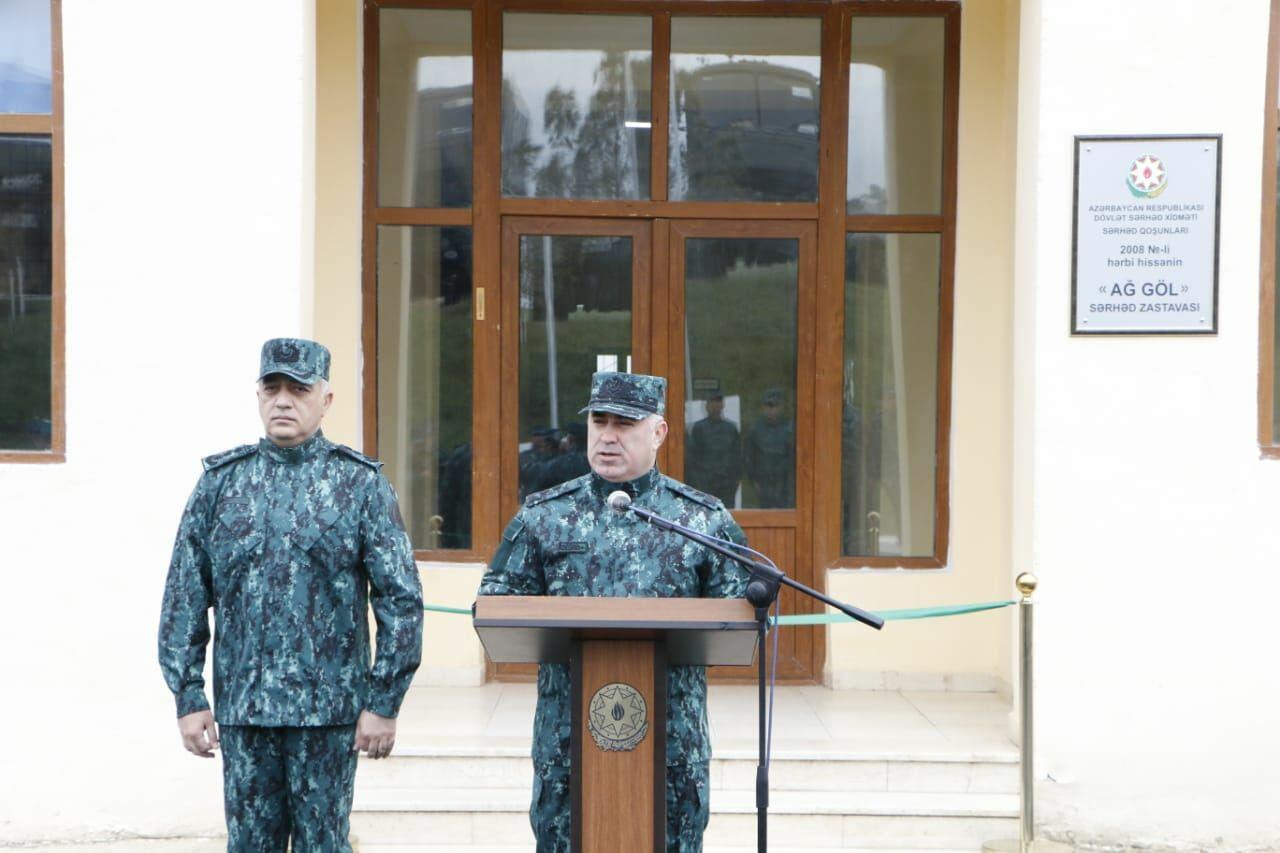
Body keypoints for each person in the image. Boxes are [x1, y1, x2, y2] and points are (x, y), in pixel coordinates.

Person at [158, 338, 424, 852]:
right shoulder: (220, 486)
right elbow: (185, 595)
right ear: (257, 395)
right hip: (245, 711)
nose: (283, 401)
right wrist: (188, 695)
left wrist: (384, 702)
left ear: (324, 401)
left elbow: (400, 601)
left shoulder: (359, 485)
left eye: (298, 389)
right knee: (249, 845)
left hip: (327, 715)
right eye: (271, 388)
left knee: (323, 844)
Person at [479, 371, 749, 853]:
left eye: (624, 424)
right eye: (599, 421)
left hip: (672, 744)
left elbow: (742, 607)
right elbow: (497, 600)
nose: (607, 435)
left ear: (659, 432)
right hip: (569, 741)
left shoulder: (699, 520)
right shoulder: (544, 516)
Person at [684, 391, 741, 507]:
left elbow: (738, 458)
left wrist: (734, 483)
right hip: (704, 484)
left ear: (723, 405)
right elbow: (692, 458)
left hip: (726, 485)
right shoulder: (699, 428)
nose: (715, 405)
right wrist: (697, 485)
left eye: (718, 401)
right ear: (707, 405)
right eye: (712, 402)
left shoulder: (731, 429)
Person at [742, 388, 795, 508]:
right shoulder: (755, 430)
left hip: (784, 484)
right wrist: (753, 480)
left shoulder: (789, 429)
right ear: (763, 407)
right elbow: (749, 457)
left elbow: (795, 457)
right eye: (768, 405)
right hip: (763, 484)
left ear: (781, 407)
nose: (771, 409)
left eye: (775, 405)